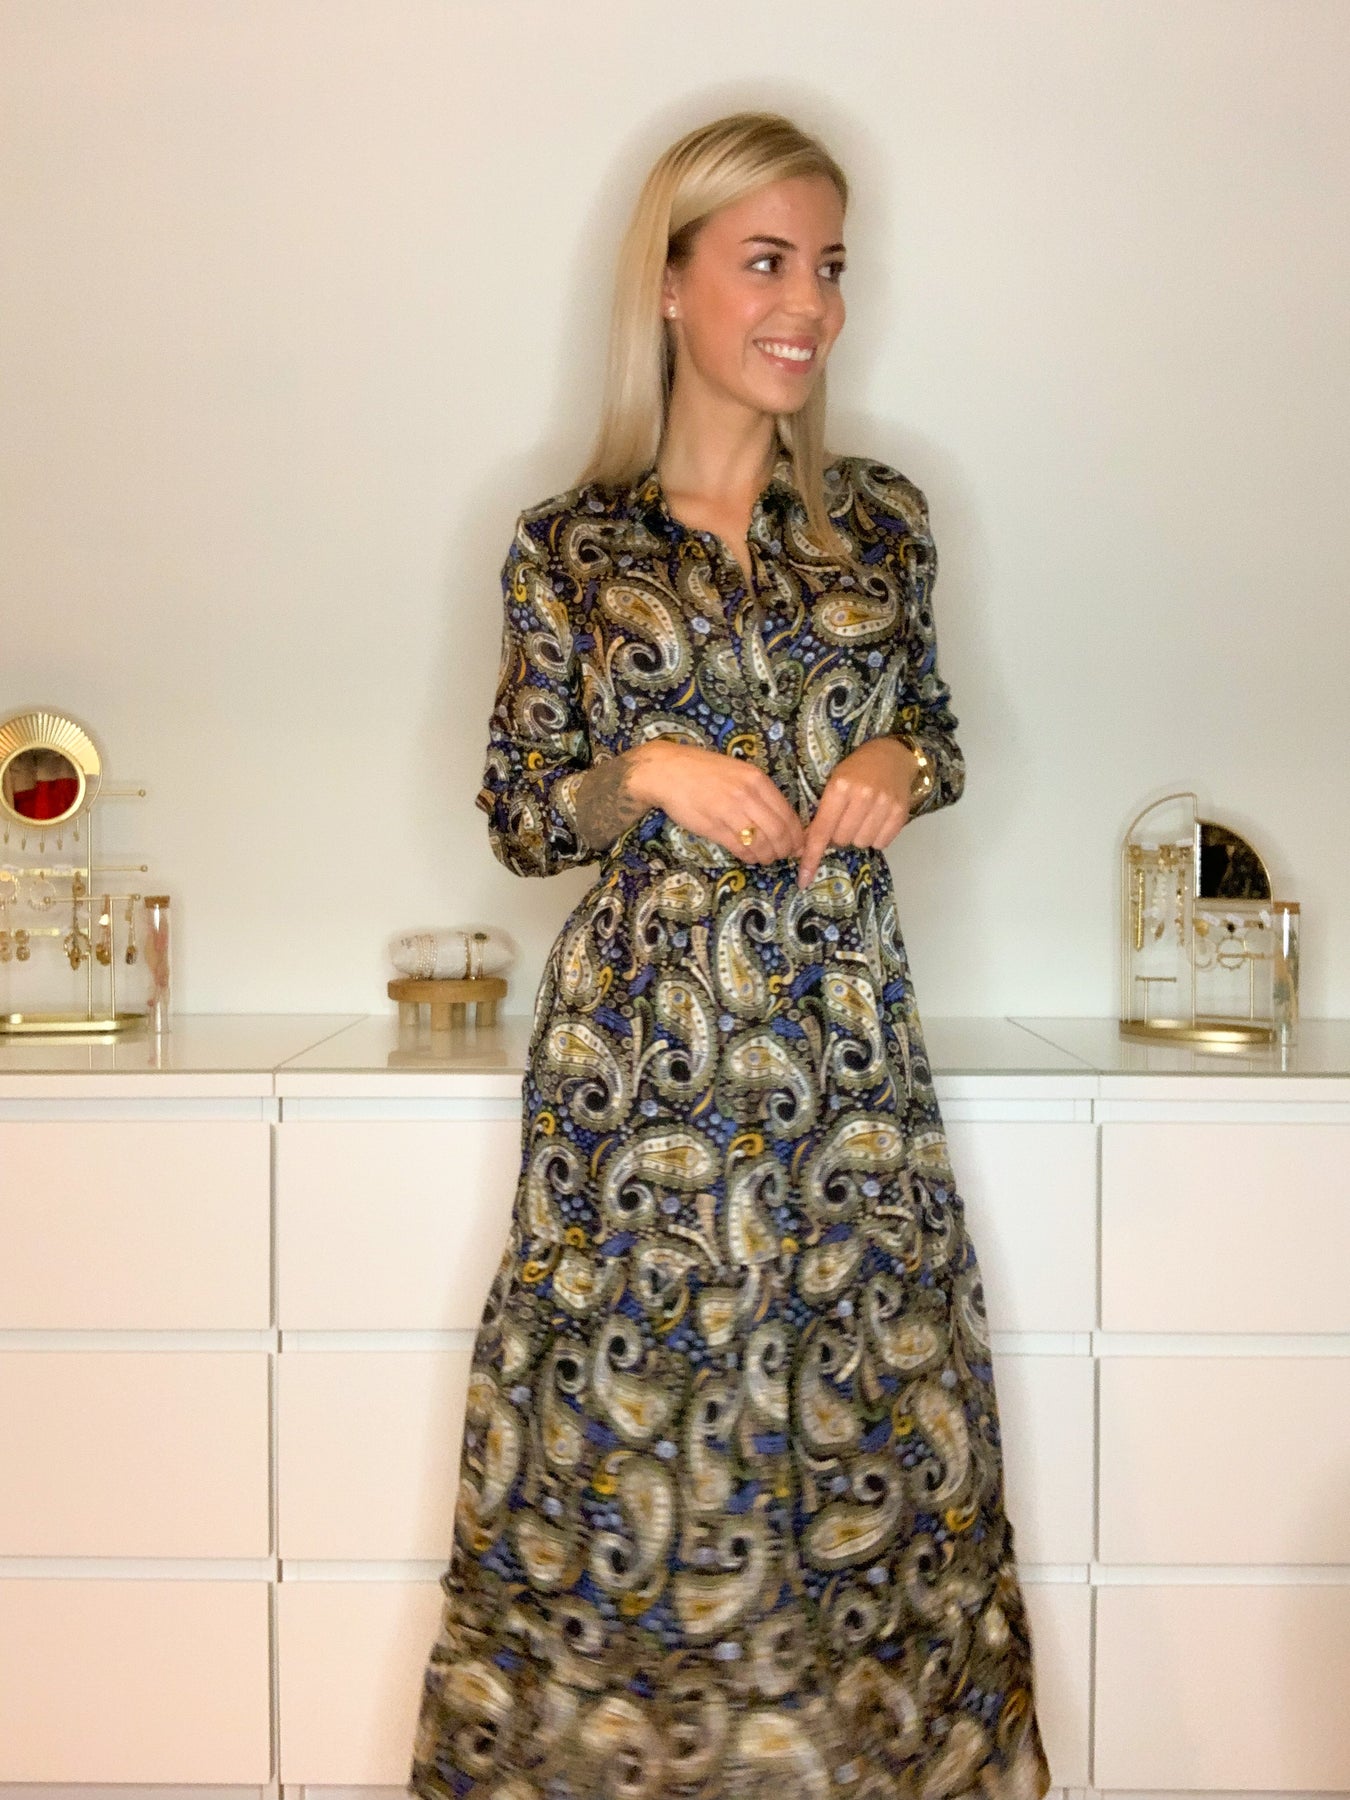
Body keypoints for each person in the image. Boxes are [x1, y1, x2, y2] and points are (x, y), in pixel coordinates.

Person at [408, 109, 1052, 1800]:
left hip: (845, 1062)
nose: (809, 304)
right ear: (672, 284)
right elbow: (520, 816)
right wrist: (643, 771)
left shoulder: (879, 523)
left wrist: (898, 762)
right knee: (627, 1452)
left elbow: (935, 732)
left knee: (867, 1432)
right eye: (766, 261)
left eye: (828, 267)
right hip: (638, 1083)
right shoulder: (571, 547)